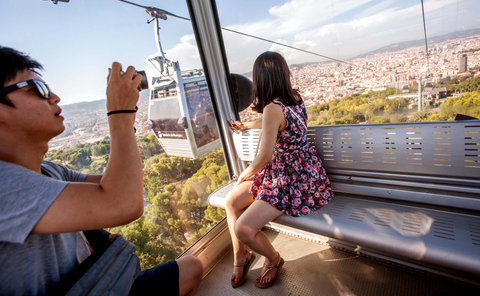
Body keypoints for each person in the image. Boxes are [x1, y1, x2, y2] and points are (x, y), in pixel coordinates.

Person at [0, 47, 203, 296]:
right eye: (38, 89)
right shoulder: (4, 187)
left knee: (191, 268)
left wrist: (124, 117)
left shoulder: (49, 171)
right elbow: (124, 204)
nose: (55, 97)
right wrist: (119, 114)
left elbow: (120, 185)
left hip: (95, 283)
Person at [226, 51, 334, 289]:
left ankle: (274, 259)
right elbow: (275, 123)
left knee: (243, 228)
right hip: (304, 171)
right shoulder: (294, 98)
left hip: (289, 179)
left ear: (260, 79)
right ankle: (240, 256)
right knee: (231, 201)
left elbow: (264, 157)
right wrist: (246, 125)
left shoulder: (272, 109)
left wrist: (245, 174)